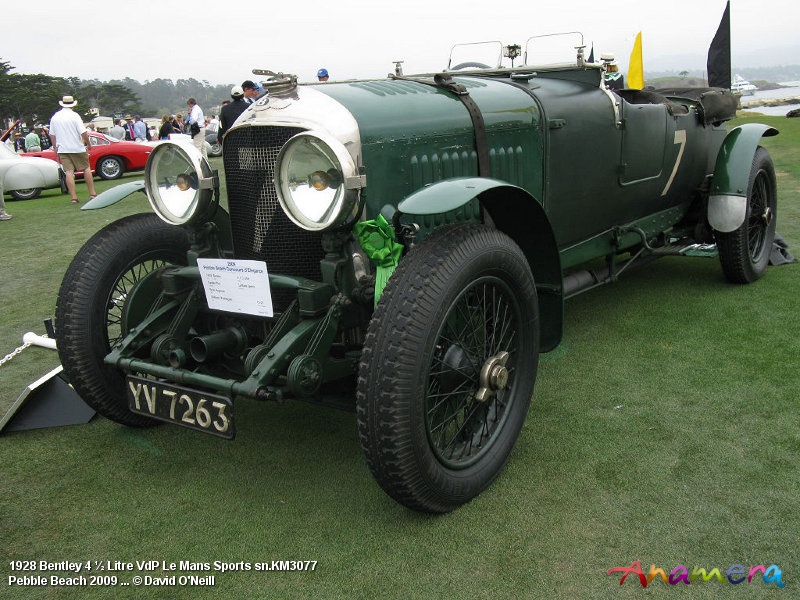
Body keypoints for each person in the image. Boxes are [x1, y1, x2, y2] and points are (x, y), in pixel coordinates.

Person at [48, 95, 97, 204]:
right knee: (86, 168)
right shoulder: (74, 116)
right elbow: (83, 132)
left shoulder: (55, 117)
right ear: (72, 105)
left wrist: (55, 147)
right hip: (77, 147)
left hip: (63, 148)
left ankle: (74, 197)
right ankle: (92, 193)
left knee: (69, 172)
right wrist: (88, 144)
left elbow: (52, 135)